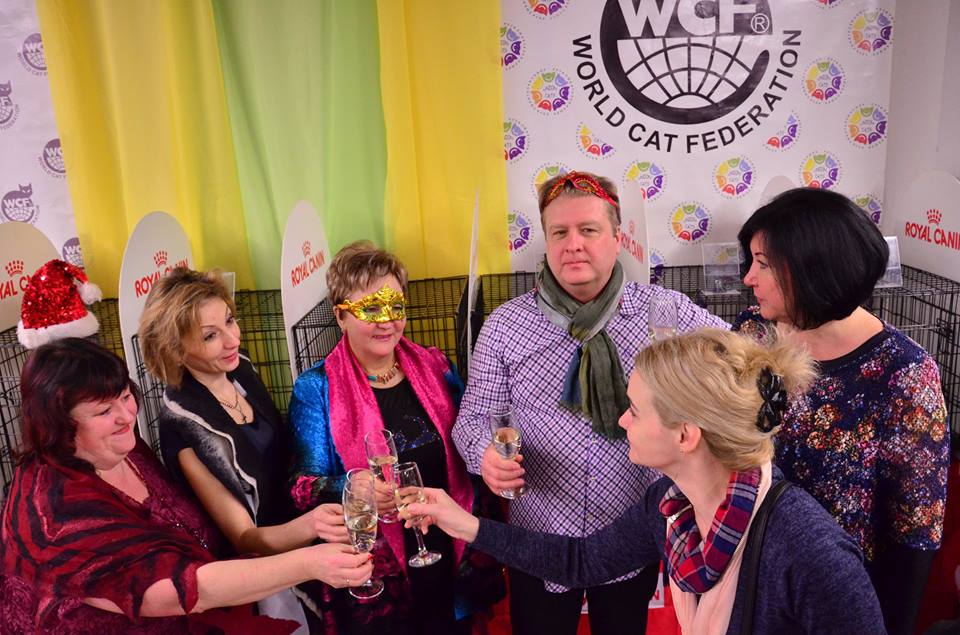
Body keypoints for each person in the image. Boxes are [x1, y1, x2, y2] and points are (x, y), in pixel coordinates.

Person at [413, 329, 887, 633]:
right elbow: (581, 561)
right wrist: (465, 524)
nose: (621, 421)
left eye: (636, 411)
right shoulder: (670, 506)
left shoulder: (809, 550)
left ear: (685, 435)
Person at [452, 170, 727, 635]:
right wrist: (486, 456)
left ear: (618, 238)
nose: (573, 245)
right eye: (559, 232)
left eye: (588, 230)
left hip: (631, 532)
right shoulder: (505, 325)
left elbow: (735, 363)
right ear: (546, 241)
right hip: (539, 538)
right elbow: (474, 419)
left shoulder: (664, 311)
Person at [0, 338, 372, 634]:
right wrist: (309, 563)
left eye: (126, 397)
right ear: (57, 424)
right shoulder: (54, 513)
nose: (126, 416)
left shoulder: (120, 447)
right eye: (103, 411)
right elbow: (186, 589)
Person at [734, 187, 949, 635]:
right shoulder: (753, 332)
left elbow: (915, 527)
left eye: (764, 264)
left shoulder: (903, 373)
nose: (748, 278)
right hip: (744, 577)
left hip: (834, 602)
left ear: (813, 268)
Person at [287, 241, 504, 634]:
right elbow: (303, 487)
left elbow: (470, 441)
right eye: (371, 309)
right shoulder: (316, 388)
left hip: (450, 549)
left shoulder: (435, 365)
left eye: (396, 307)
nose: (387, 321)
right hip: (378, 569)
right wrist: (353, 486)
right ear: (340, 315)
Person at [139, 267, 348, 632]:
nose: (232, 339)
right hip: (267, 577)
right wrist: (312, 526)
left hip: (305, 540)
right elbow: (244, 538)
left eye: (230, 321)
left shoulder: (239, 368)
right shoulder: (184, 426)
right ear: (174, 350)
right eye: (210, 336)